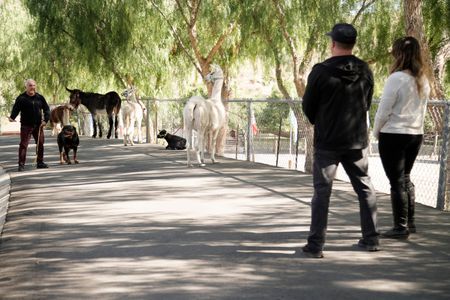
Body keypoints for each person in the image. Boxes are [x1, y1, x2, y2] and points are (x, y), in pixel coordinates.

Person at [301, 23, 379, 258]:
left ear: (333, 43)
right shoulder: (365, 70)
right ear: (353, 44)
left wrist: (322, 121)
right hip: (356, 140)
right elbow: (367, 101)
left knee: (322, 192)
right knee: (365, 188)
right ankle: (371, 238)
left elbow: (308, 106)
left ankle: (316, 245)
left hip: (328, 141)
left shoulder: (320, 71)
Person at [373, 36, 430, 239]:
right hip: (415, 134)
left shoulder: (396, 78)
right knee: (405, 178)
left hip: (394, 134)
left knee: (396, 181)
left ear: (398, 54)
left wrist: (375, 131)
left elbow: (383, 110)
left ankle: (400, 227)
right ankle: (410, 223)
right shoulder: (422, 79)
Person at [9, 79, 50, 171]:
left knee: (40, 143)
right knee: (23, 145)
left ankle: (40, 162)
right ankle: (21, 164)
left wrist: (45, 120)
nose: (32, 87)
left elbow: (47, 109)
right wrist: (12, 117)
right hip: (26, 126)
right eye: (30, 85)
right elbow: (16, 109)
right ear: (26, 87)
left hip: (38, 126)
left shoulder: (40, 97)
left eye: (34, 85)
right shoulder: (21, 98)